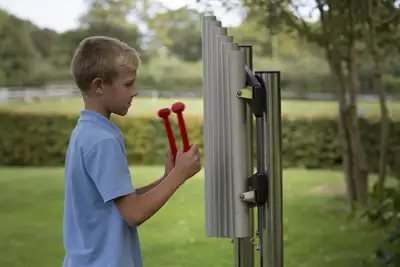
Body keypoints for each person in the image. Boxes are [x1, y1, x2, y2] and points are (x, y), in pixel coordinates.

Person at [62, 36, 202, 267]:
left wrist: (165, 178)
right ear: (99, 85)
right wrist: (180, 175)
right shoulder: (102, 141)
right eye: (128, 84)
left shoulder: (88, 131)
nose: (135, 91)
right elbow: (133, 213)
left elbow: (119, 200)